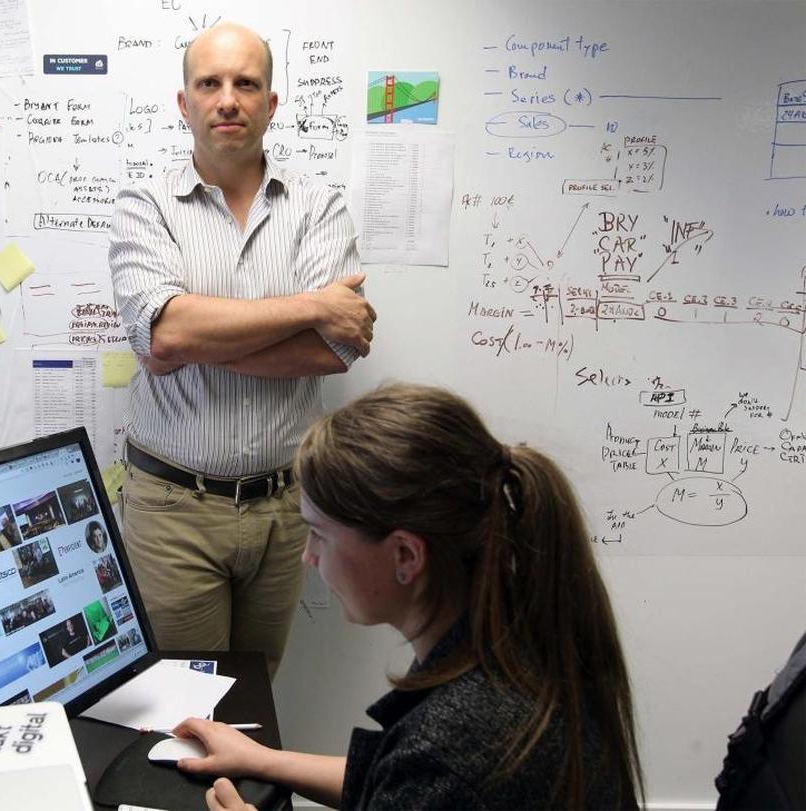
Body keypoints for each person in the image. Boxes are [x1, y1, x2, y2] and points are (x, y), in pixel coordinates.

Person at [168, 384, 644, 810]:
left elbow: (425, 776)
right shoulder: (513, 645)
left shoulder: (454, 746)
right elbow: (394, 779)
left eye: (320, 535)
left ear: (405, 555)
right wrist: (266, 760)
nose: (308, 558)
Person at [108, 21, 376, 678]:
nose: (228, 99)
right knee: (183, 712)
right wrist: (312, 305)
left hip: (285, 512)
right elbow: (165, 332)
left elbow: (339, 349)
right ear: (184, 102)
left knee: (251, 706)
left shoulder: (319, 207)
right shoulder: (145, 206)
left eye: (246, 83)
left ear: (271, 103)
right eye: (210, 83)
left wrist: (198, 337)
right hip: (174, 511)